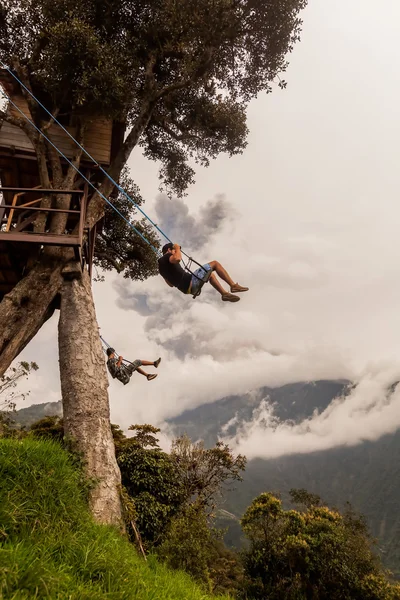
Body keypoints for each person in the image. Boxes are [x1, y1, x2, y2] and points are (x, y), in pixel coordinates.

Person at [158, 242, 249, 302]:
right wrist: (177, 248)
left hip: (188, 290)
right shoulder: (167, 256)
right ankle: (233, 286)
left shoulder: (161, 268)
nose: (176, 252)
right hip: (191, 282)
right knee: (215, 263)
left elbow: (170, 285)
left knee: (210, 274)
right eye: (174, 250)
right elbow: (177, 258)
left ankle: (224, 294)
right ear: (169, 250)